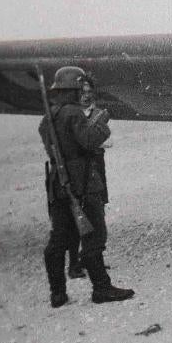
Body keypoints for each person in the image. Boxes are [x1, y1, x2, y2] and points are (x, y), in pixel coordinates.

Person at [40, 66, 134, 308]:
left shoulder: (49, 116)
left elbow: (54, 144)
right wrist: (101, 123)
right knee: (93, 236)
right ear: (72, 89)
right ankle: (101, 289)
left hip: (59, 184)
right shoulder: (73, 113)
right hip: (82, 182)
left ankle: (57, 293)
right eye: (78, 88)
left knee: (59, 239)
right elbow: (89, 141)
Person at [67, 79, 111, 279]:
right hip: (78, 166)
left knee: (97, 207)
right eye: (82, 91)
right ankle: (74, 263)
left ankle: (91, 258)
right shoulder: (71, 115)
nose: (86, 95)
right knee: (76, 213)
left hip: (96, 163)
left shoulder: (97, 113)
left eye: (89, 91)